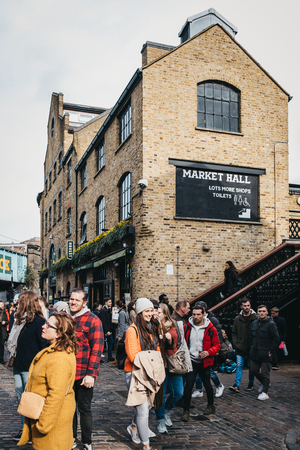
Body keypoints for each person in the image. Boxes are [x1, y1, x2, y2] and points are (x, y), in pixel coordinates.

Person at [18, 312, 78, 449]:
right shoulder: (54, 351)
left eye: (48, 325)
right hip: (49, 419)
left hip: (52, 423)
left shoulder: (59, 358)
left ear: (58, 333)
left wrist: (43, 424)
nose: (43, 327)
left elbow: (56, 395)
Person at [124, 297, 164, 450]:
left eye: (151, 311)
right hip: (135, 373)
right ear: (140, 312)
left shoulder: (151, 329)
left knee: (146, 407)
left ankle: (134, 427)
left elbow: (157, 349)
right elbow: (134, 356)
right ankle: (146, 445)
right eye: (147, 311)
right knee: (142, 409)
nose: (150, 314)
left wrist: (155, 364)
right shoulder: (132, 330)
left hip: (150, 373)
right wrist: (152, 360)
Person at [67, 288, 104, 450]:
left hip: (83, 373)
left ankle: (87, 441)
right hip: (66, 373)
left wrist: (91, 374)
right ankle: (71, 438)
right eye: (71, 299)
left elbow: (97, 348)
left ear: (84, 303)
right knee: (69, 409)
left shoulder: (93, 320)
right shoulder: (64, 318)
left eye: (77, 300)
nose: (73, 302)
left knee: (84, 409)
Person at [6, 291, 46, 441]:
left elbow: (43, 347)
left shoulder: (39, 322)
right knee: (21, 399)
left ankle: (33, 430)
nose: (16, 305)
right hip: (18, 364)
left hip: (31, 367)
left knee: (31, 400)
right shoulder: (19, 321)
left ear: (26, 303)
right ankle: (24, 429)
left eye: (19, 302)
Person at [181, 304, 220, 421]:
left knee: (207, 384)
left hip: (205, 362)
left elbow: (217, 345)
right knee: (188, 386)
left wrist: (208, 352)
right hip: (191, 360)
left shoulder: (211, 328)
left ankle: (210, 405)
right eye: (194, 314)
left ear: (204, 314)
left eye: (198, 314)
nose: (196, 317)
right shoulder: (187, 327)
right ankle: (186, 410)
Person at [155, 303, 184, 433]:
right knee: (160, 393)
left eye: (159, 312)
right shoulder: (154, 326)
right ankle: (160, 419)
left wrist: (170, 341)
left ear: (165, 314)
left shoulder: (174, 324)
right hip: (160, 363)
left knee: (178, 392)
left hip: (173, 361)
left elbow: (177, 343)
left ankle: (167, 410)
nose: (156, 314)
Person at [191, 301, 224, 399]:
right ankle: (199, 389)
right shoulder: (193, 322)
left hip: (208, 350)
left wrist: (216, 349)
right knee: (197, 371)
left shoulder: (212, 320)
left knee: (209, 372)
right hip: (197, 351)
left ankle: (219, 385)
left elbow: (218, 334)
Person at [249, 305, 280, 401]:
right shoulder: (254, 323)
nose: (261, 313)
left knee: (265, 372)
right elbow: (251, 337)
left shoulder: (271, 324)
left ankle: (265, 392)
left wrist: (271, 350)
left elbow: (276, 339)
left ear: (267, 312)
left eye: (263, 311)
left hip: (266, 352)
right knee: (253, 370)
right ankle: (264, 383)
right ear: (257, 312)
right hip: (255, 352)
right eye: (260, 311)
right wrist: (251, 347)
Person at [229, 298, 257, 393]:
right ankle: (236, 384)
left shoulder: (255, 317)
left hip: (251, 346)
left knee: (251, 366)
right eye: (244, 306)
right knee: (239, 365)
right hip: (240, 346)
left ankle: (251, 383)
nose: (246, 307)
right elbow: (234, 333)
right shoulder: (237, 318)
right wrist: (236, 343)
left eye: (248, 305)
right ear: (241, 306)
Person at [99, 297, 115, 363]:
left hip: (109, 329)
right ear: (105, 303)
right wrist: (107, 331)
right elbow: (103, 322)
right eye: (109, 302)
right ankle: (106, 356)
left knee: (110, 342)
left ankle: (109, 356)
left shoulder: (108, 310)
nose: (110, 303)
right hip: (105, 330)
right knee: (105, 343)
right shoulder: (103, 311)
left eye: (111, 302)